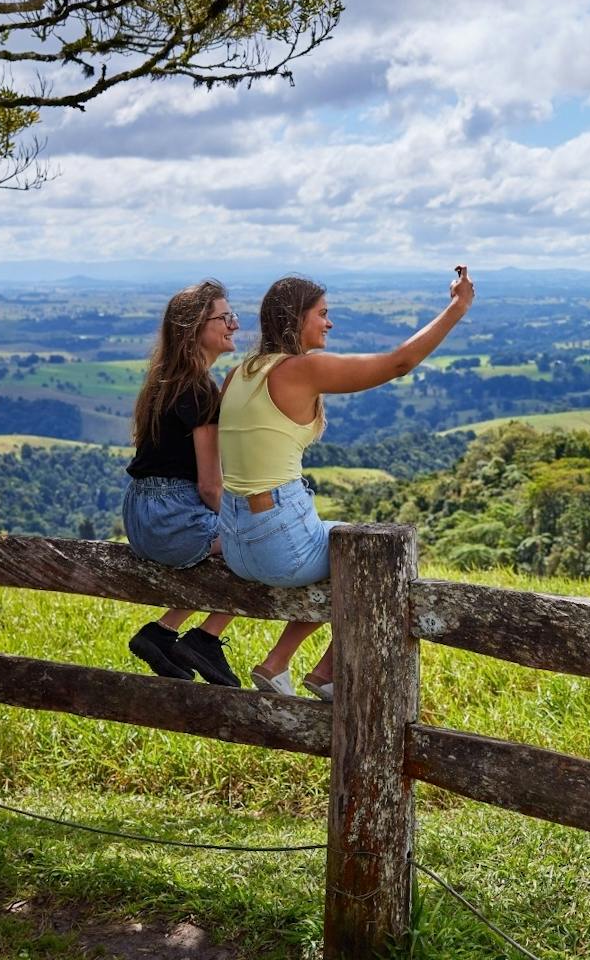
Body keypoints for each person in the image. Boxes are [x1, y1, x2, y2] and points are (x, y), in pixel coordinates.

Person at [220, 266, 475, 700]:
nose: (329, 322)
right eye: (322, 313)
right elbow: (399, 363)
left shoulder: (240, 374)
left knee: (342, 538)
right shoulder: (300, 370)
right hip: (277, 542)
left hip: (235, 542)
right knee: (378, 561)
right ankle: (327, 674)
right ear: (296, 318)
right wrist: (458, 307)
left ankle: (277, 664)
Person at [122, 280, 244, 686]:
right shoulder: (198, 390)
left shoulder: (166, 381)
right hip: (173, 521)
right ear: (195, 328)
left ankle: (160, 633)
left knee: (246, 537)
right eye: (225, 317)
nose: (234, 325)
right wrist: (245, 524)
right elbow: (210, 488)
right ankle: (206, 639)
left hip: (141, 518)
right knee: (262, 544)